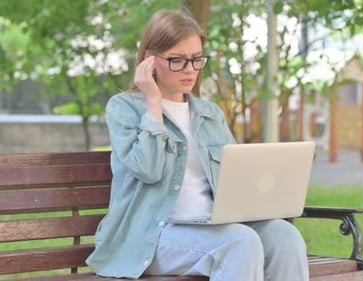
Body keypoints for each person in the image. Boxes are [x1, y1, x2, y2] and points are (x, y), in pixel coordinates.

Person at [85, 9, 309, 281]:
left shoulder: (209, 112)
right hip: (153, 235)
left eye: (196, 59)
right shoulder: (124, 108)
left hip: (212, 226)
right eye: (177, 60)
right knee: (239, 242)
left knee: (285, 235)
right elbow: (148, 169)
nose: (190, 70)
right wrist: (153, 103)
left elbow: (235, 177)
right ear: (149, 60)